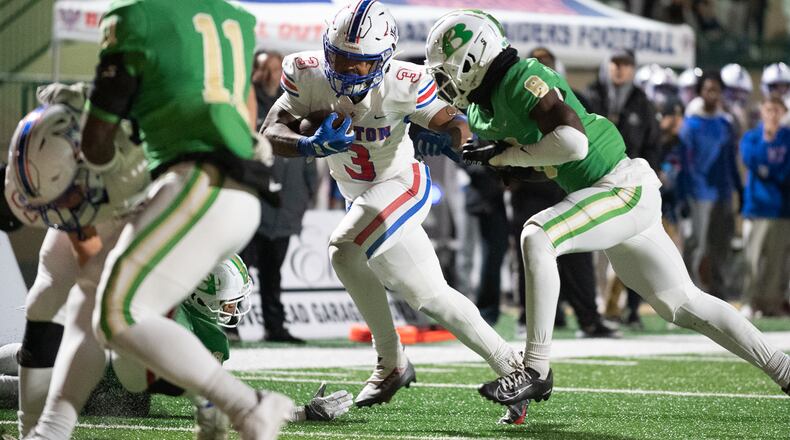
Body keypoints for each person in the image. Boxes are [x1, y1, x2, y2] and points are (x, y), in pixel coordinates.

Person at [424, 9, 790, 411]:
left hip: (619, 186)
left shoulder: (522, 77)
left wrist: (508, 155)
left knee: (537, 236)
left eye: (449, 70)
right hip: (609, 195)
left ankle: (536, 370)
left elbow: (572, 144)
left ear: (476, 58)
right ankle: (784, 368)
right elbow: (543, 165)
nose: (446, 81)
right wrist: (499, 162)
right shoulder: (483, 109)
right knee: (684, 304)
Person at [26, 1, 289, 439]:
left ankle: (247, 404)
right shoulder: (234, 16)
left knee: (118, 314)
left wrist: (104, 173)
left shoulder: (136, 14)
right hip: (228, 186)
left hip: (195, 182)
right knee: (89, 301)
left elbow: (96, 143)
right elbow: (243, 115)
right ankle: (50, 432)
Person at [262, 0, 525, 424]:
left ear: (383, 60)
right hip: (361, 198)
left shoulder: (405, 80)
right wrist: (307, 145)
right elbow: (270, 130)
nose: (348, 71)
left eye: (360, 63)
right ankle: (511, 367)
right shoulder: (306, 72)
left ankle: (390, 361)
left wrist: (454, 140)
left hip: (403, 184)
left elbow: (456, 123)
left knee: (343, 248)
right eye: (340, 58)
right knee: (431, 297)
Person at [0, 257, 353, 438]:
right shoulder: (176, 320)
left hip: (109, 382)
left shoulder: (186, 312)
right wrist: (303, 413)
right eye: (228, 302)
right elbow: (220, 397)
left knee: (123, 399)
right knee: (32, 373)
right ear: (201, 295)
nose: (234, 310)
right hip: (88, 368)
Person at [4, 88, 149, 438]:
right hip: (92, 193)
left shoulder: (131, 172)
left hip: (134, 218)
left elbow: (94, 257)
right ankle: (32, 430)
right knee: (43, 299)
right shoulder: (42, 158)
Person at [585, 49, 662, 328]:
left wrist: (648, 173)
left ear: (633, 69)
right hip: (595, 181)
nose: (620, 69)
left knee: (633, 247)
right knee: (597, 249)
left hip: (631, 184)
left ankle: (630, 309)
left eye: (625, 64)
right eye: (615, 63)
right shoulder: (592, 94)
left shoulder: (641, 101)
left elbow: (653, 142)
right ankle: (602, 307)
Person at [678, 71, 740, 297]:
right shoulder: (691, 125)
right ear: (700, 92)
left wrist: (738, 190)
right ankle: (688, 294)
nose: (711, 94)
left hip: (723, 193)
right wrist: (684, 195)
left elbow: (732, 160)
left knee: (721, 247)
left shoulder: (726, 124)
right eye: (707, 89)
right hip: (698, 193)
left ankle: (719, 293)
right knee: (697, 247)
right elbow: (684, 164)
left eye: (715, 89)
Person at [740, 96, 790, 318]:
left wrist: (768, 170)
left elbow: (785, 172)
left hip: (781, 208)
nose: (772, 115)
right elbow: (750, 159)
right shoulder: (752, 137)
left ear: (783, 113)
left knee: (776, 262)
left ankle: (771, 304)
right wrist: (767, 143)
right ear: (762, 111)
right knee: (752, 259)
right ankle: (750, 300)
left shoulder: (787, 138)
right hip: (757, 207)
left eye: (777, 110)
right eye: (769, 110)